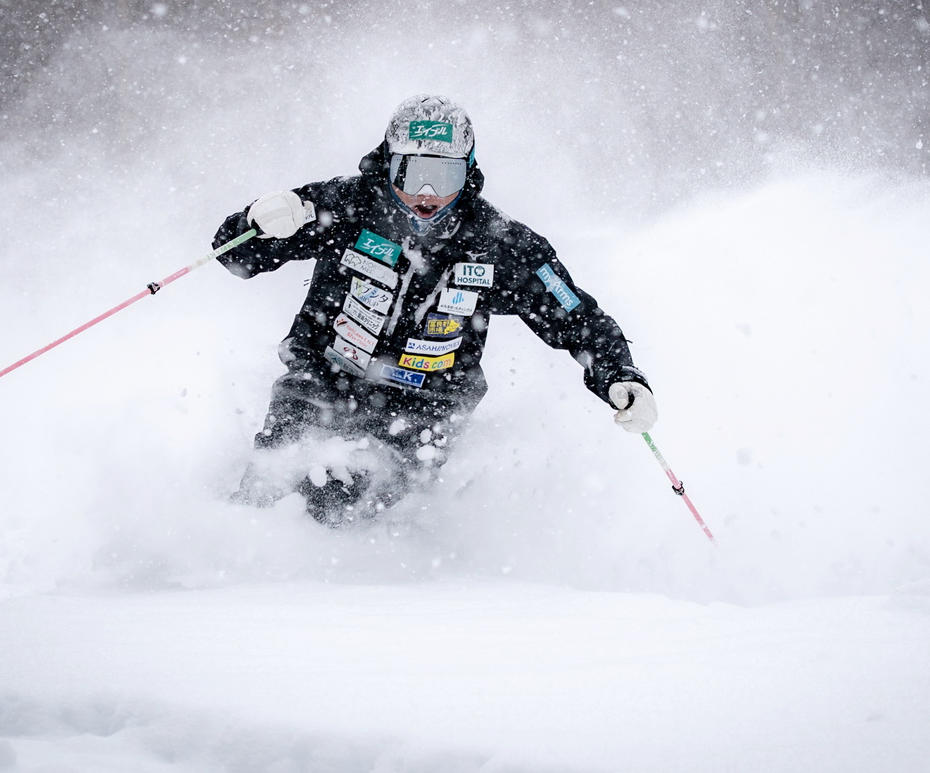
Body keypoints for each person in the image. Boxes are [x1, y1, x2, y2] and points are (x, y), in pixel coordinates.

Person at [214, 94, 657, 524]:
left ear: (468, 173)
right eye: (412, 173)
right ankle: (243, 558)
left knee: (365, 513)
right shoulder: (343, 207)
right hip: (323, 375)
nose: (427, 194)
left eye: (444, 178)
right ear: (388, 164)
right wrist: (257, 222)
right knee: (275, 489)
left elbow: (576, 317)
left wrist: (620, 375)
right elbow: (235, 256)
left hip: (428, 403)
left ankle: (385, 587)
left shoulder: (500, 243)